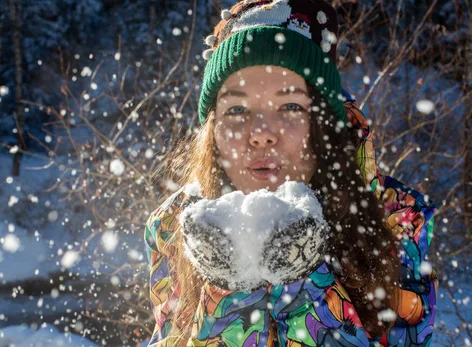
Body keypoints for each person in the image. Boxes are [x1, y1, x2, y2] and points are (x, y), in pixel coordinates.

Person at [144, 1, 438, 346]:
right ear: (214, 131)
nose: (261, 132)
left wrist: (302, 279)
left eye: (290, 106)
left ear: (321, 125)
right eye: (237, 108)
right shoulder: (172, 224)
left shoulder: (396, 217)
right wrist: (230, 288)